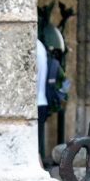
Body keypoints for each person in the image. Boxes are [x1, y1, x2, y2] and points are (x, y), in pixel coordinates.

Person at [36, 38, 49, 166]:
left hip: (35, 103)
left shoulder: (34, 45)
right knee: (35, 149)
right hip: (40, 101)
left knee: (33, 150)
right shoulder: (39, 45)